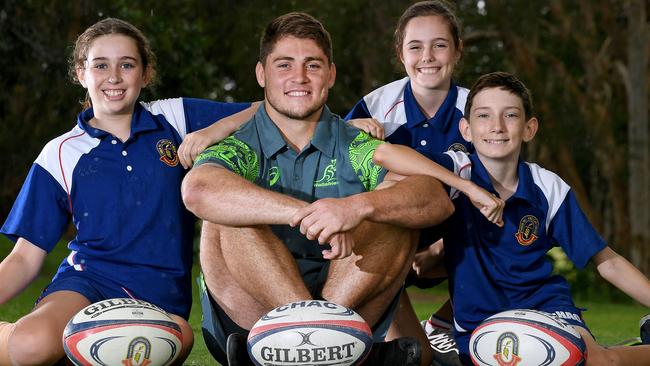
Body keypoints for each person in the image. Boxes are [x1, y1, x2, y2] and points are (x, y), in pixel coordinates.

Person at [180, 11, 460, 366]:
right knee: (226, 215)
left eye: (312, 65)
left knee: (393, 209)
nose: (299, 76)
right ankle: (322, 336)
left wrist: (355, 208)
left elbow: (434, 199)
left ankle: (323, 338)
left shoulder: (355, 143)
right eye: (284, 65)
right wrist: (304, 213)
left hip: (348, 301)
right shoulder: (241, 144)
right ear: (261, 74)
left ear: (330, 74)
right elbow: (198, 189)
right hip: (247, 323)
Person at [0, 18, 257, 365]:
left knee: (176, 341)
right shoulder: (61, 152)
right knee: (29, 346)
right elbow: (25, 258)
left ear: (146, 73)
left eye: (127, 64)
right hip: (87, 283)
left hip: (158, 299)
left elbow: (264, 111)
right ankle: (8, 333)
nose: (114, 76)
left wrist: (213, 131)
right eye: (100, 65)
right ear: (81, 73)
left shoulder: (175, 118)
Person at [372, 71, 650, 365]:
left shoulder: (547, 186)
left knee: (599, 361)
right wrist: (466, 188)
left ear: (529, 128)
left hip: (545, 307)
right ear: (465, 129)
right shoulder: (458, 170)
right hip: (478, 322)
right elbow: (385, 154)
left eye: (511, 115)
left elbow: (609, 263)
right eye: (483, 116)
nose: (497, 127)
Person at [345, 1, 468, 364]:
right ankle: (356, 320)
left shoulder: (478, 108)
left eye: (440, 44)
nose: (427, 56)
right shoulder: (375, 104)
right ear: (400, 54)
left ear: (457, 51)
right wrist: (348, 130)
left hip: (457, 239)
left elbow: (499, 192)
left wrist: (442, 247)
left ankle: (447, 320)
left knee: (522, 232)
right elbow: (338, 164)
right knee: (418, 358)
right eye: (415, 46)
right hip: (393, 237)